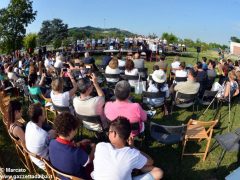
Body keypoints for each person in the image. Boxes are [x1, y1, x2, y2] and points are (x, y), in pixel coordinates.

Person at [92, 117, 163, 180]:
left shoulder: (100, 146)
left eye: (109, 131)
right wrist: (133, 147)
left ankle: (136, 166)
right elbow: (150, 161)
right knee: (158, 172)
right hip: (133, 158)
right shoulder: (132, 153)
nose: (108, 133)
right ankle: (137, 166)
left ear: (114, 134)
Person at [49, 112, 95, 179]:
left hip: (60, 176)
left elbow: (65, 147)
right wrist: (94, 148)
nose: (76, 130)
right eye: (76, 128)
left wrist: (79, 143)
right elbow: (89, 160)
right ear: (71, 131)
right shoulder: (76, 153)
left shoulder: (52, 143)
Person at [25, 103, 56, 170]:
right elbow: (54, 147)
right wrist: (52, 135)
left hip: (35, 158)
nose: (45, 114)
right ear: (40, 117)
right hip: (46, 163)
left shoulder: (29, 124)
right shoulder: (43, 135)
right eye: (44, 113)